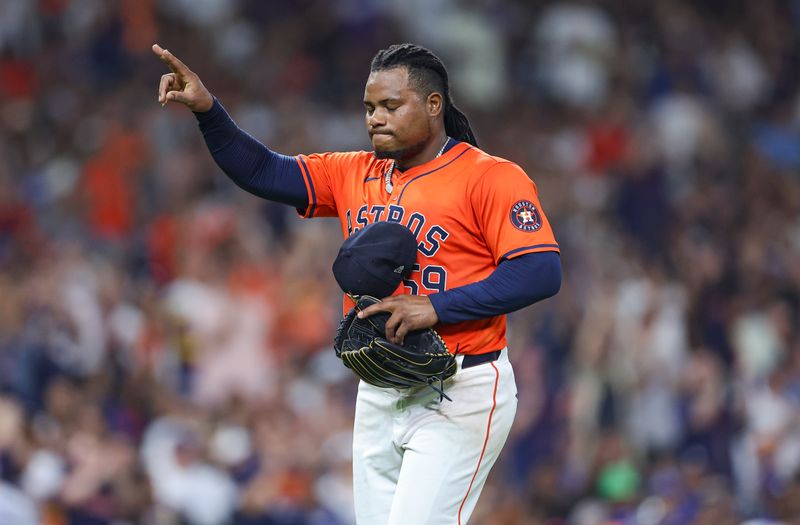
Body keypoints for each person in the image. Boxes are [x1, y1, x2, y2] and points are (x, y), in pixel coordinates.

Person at [153, 41, 562, 525]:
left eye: (391, 105)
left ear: (433, 106)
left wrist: (436, 307)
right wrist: (207, 111)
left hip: (460, 385)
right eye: (369, 107)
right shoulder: (354, 172)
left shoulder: (490, 177)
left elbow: (539, 271)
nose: (375, 118)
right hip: (379, 385)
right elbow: (262, 170)